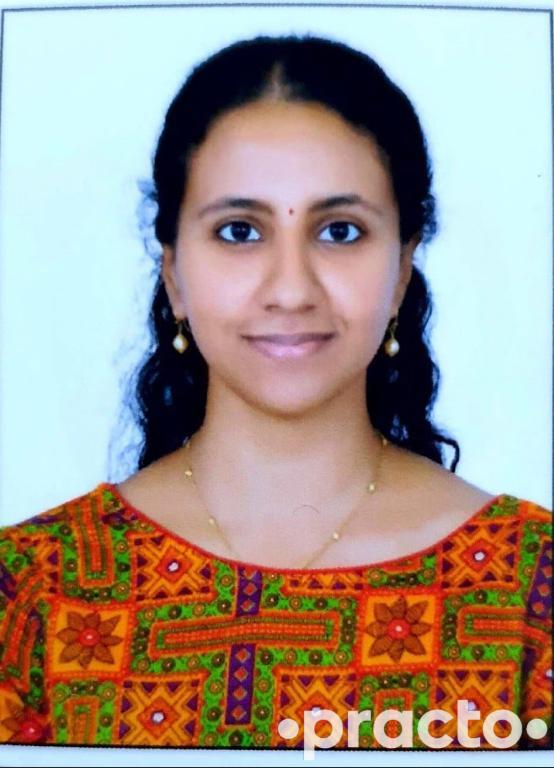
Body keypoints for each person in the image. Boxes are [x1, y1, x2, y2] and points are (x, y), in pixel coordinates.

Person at [0, 34, 551, 751]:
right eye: (239, 231)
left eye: (340, 231)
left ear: (402, 270)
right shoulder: (33, 592)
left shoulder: (529, 591)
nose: (291, 290)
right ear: (172, 273)